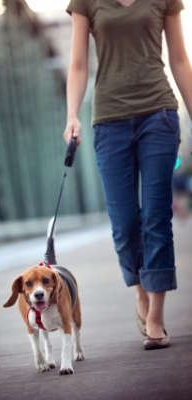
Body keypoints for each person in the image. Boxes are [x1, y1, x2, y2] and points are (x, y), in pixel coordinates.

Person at [63, 0, 192, 350]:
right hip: (109, 122)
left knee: (156, 217)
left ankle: (156, 318)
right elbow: (77, 65)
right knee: (124, 222)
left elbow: (179, 59)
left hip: (159, 115)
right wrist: (72, 115)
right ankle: (140, 290)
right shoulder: (86, 2)